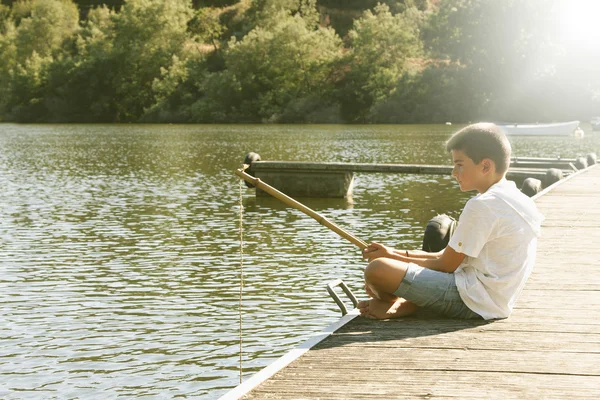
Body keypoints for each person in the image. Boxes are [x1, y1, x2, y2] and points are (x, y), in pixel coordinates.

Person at [358, 123, 544, 320]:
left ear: (486, 166)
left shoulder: (483, 205)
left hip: (473, 300)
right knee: (386, 267)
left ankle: (403, 305)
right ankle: (406, 303)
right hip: (495, 299)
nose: (454, 172)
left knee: (377, 270)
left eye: (460, 164)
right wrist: (392, 253)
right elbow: (447, 256)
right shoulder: (516, 197)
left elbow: (445, 264)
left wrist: (390, 266)